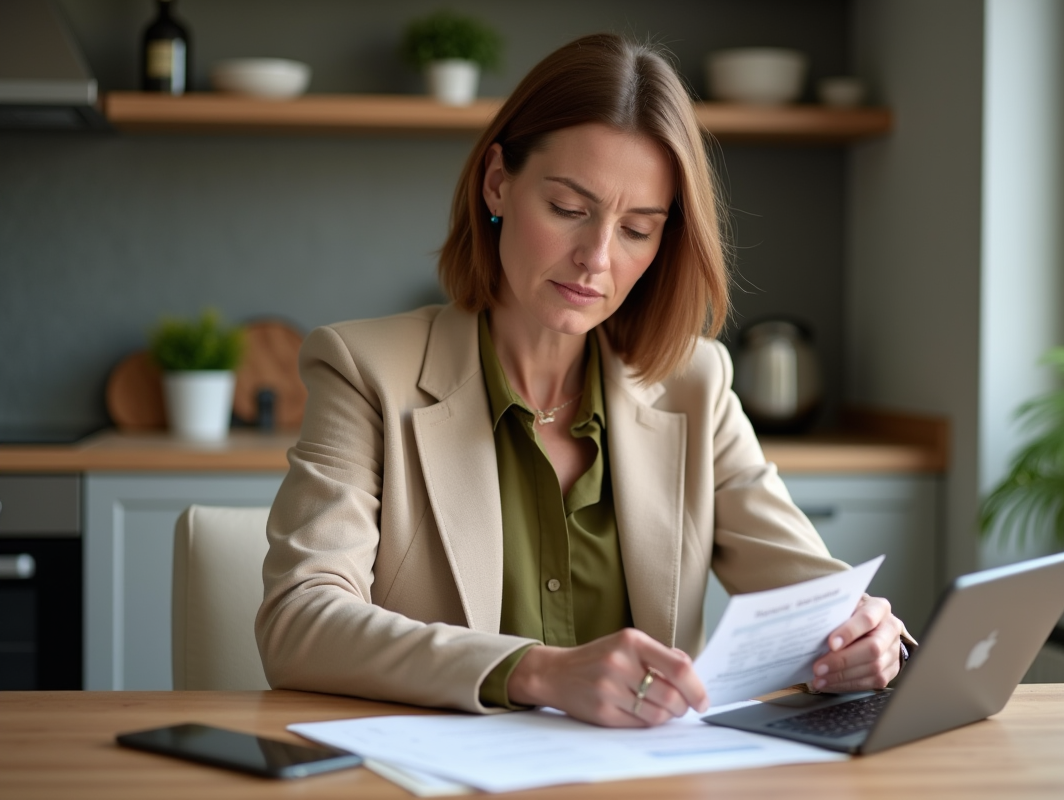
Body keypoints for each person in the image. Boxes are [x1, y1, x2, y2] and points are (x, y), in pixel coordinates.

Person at [256, 33, 912, 728]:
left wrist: (869, 637)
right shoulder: (365, 370)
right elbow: (299, 621)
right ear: (497, 183)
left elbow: (813, 596)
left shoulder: (695, 382)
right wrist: (537, 670)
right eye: (569, 209)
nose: (596, 258)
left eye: (637, 229)